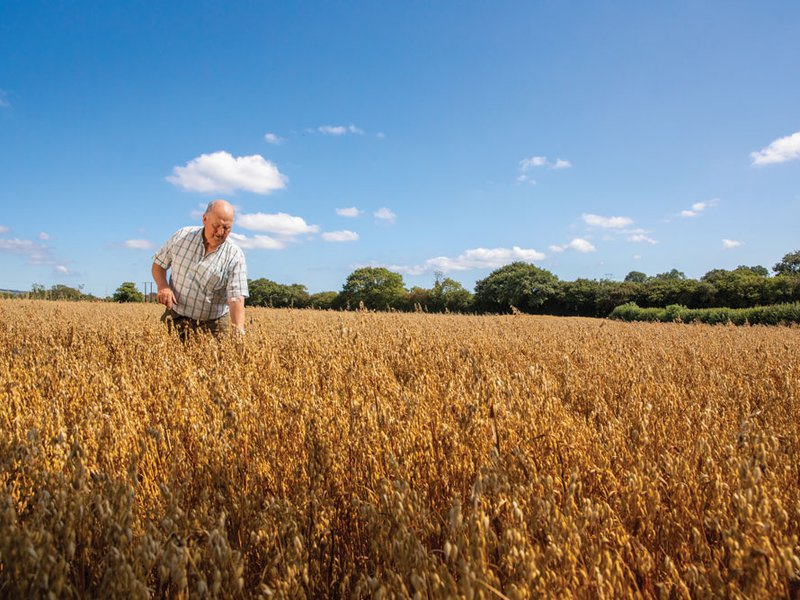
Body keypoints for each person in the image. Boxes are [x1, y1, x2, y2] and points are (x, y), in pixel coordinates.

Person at [151, 199, 248, 339]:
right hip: (175, 316)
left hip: (213, 325)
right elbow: (159, 265)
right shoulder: (182, 236)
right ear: (204, 219)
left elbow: (236, 298)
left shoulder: (235, 255)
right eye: (216, 225)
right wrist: (163, 286)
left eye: (227, 228)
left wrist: (238, 331)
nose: (220, 232)